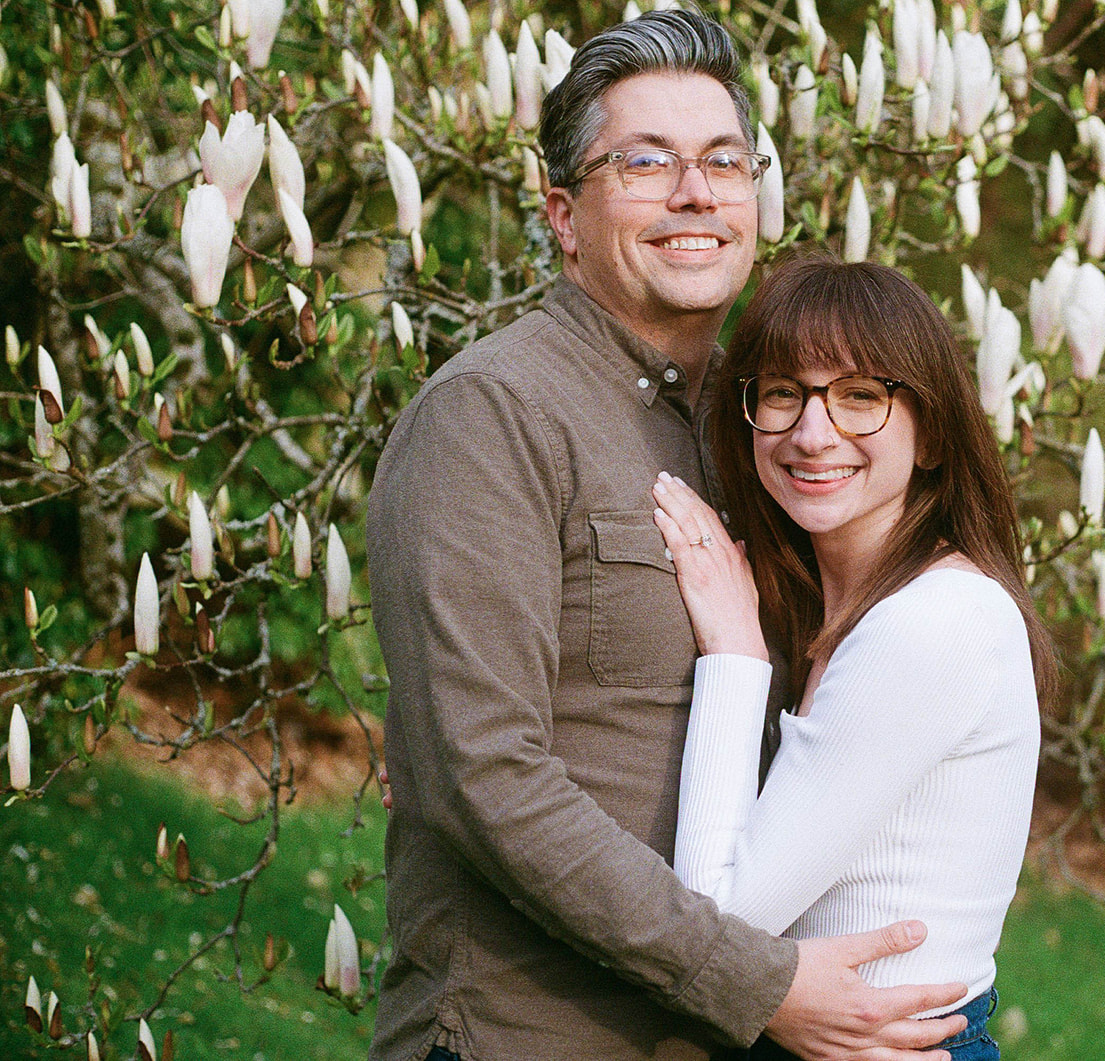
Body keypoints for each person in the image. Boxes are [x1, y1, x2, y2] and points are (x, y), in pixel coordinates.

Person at [365, 10, 971, 1061]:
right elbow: (484, 773)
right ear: (563, 213)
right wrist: (756, 980)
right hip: (527, 1032)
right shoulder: (489, 416)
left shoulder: (767, 431)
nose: (695, 192)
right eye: (644, 162)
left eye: (723, 161)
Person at [649, 258, 1057, 1060]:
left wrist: (733, 649)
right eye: (782, 392)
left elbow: (719, 920)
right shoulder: (847, 604)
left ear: (932, 431)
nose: (812, 430)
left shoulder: (933, 624)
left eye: (860, 397)